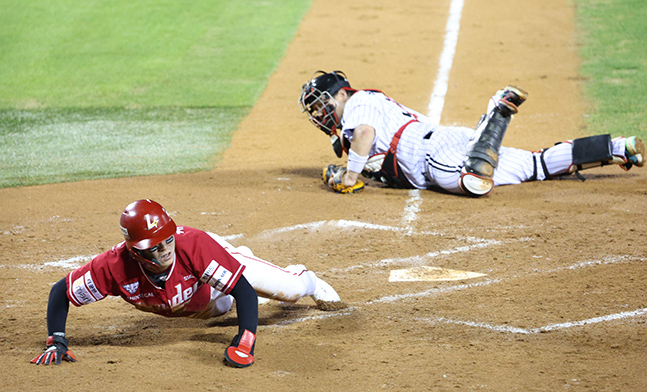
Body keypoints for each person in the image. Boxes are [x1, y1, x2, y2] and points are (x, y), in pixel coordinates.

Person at [30, 199, 342, 368]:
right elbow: (62, 291)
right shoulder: (113, 267)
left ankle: (307, 278)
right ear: (134, 250)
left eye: (167, 241)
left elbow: (242, 290)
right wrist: (56, 338)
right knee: (220, 308)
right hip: (201, 300)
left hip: (209, 264)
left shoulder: (192, 246)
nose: (165, 250)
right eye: (155, 246)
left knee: (288, 292)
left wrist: (244, 342)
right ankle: (235, 264)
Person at [298, 70, 645, 196]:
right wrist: (359, 172)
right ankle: (617, 147)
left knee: (474, 181)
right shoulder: (369, 106)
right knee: (536, 166)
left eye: (321, 104)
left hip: (430, 154)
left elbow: (365, 133)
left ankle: (496, 112)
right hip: (450, 143)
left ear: (341, 93)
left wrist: (350, 175)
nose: (320, 114)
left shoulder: (359, 102)